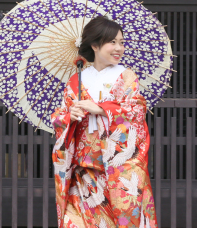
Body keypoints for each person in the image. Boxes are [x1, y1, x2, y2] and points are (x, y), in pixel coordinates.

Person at [51, 16, 158, 228]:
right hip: (83, 172)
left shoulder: (126, 76)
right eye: (113, 42)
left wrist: (101, 109)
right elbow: (59, 115)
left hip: (118, 173)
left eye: (122, 42)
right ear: (95, 45)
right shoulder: (76, 80)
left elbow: (136, 110)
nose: (119, 48)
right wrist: (68, 117)